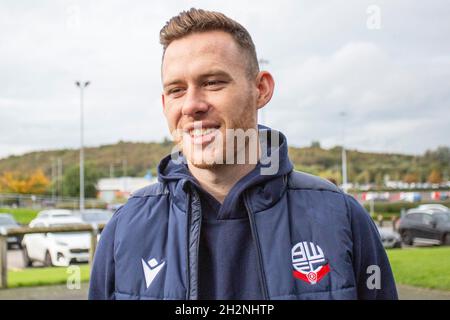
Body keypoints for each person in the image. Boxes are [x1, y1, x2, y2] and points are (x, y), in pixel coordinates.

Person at [89, 8, 398, 300]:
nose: (192, 105)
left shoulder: (339, 217)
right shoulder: (125, 229)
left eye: (212, 82)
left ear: (260, 89)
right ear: (164, 103)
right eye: (176, 90)